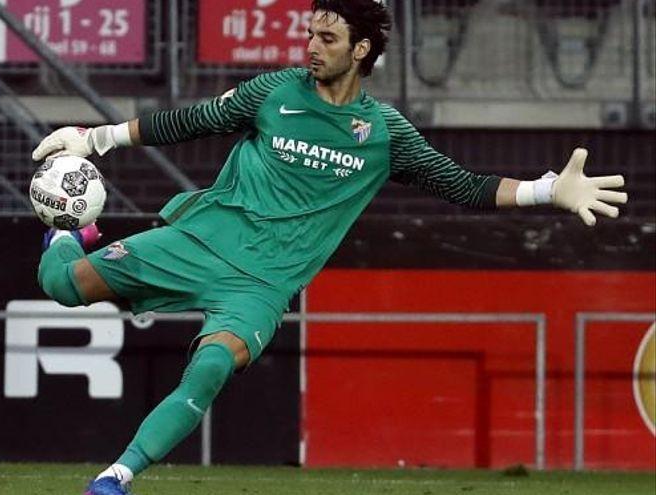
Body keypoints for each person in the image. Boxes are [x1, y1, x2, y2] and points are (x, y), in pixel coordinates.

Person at [31, 1, 628, 493]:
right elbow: (193, 120)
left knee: (211, 364)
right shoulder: (274, 93)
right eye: (309, 33)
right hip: (200, 239)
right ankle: (66, 229)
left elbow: (461, 185)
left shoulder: (386, 133)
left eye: (327, 36)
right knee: (62, 285)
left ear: (361, 49)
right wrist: (94, 138)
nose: (311, 46)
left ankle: (115, 477)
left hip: (262, 284)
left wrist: (549, 189)